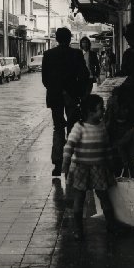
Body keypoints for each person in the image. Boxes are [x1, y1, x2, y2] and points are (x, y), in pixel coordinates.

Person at [62, 94, 118, 240]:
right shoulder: (79, 127)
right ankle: (78, 229)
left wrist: (111, 163)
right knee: (79, 198)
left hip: (99, 168)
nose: (103, 111)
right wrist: (66, 164)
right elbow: (69, 146)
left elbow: (107, 147)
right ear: (90, 111)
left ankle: (111, 225)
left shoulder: (102, 127)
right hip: (81, 168)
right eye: (101, 109)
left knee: (104, 196)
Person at [42, 27, 90, 176]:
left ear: (56, 39)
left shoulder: (48, 54)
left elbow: (45, 80)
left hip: (55, 96)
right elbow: (84, 75)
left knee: (58, 128)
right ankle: (72, 161)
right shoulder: (76, 54)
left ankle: (58, 163)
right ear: (70, 39)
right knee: (72, 128)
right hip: (72, 95)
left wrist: (57, 89)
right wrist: (80, 94)